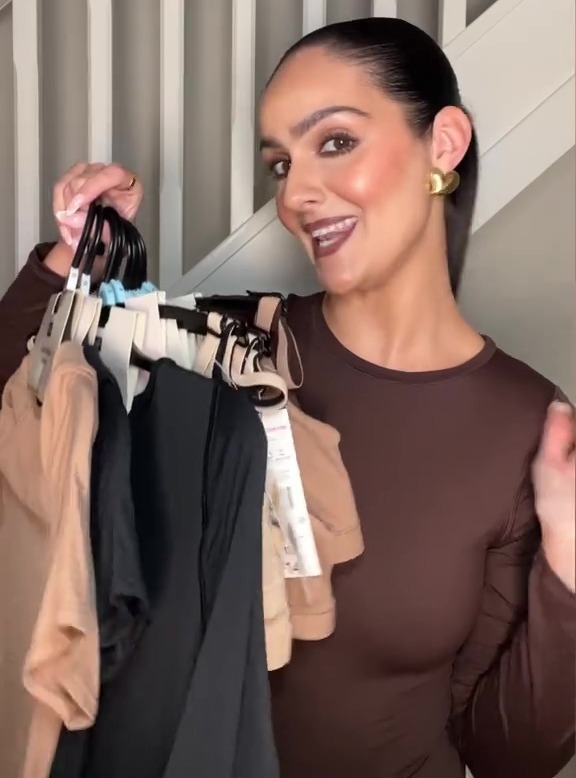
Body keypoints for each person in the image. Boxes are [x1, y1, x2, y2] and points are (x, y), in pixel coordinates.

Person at [0, 17, 574, 778]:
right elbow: (19, 426)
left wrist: (568, 568)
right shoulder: (220, 353)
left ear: (444, 144)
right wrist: (75, 257)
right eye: (280, 164)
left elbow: (506, 754)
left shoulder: (525, 426)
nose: (298, 194)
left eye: (335, 142)